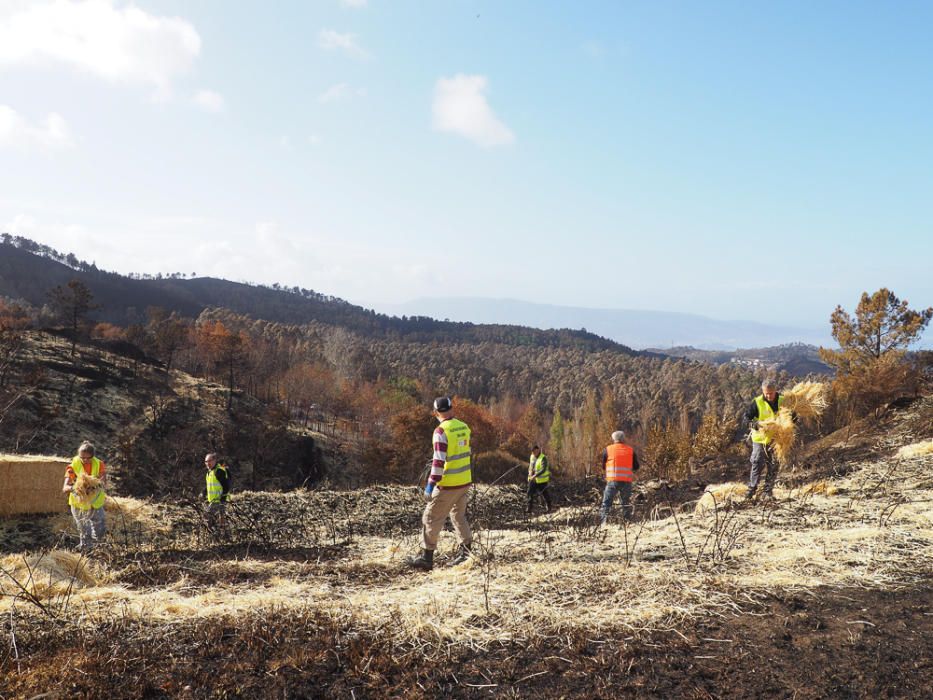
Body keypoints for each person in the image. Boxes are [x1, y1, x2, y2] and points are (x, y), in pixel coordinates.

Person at [408, 397, 473, 570]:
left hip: (448, 484)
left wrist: (430, 486)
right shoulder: (464, 427)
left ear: (436, 413)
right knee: (458, 516)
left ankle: (426, 558)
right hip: (464, 481)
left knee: (430, 518)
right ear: (452, 409)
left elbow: (438, 462)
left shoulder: (440, 432)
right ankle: (466, 553)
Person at [743, 379, 787, 501]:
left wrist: (792, 419)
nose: (768, 396)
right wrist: (754, 424)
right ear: (763, 391)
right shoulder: (757, 402)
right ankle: (751, 490)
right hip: (760, 439)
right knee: (757, 462)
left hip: (776, 439)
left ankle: (768, 492)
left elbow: (791, 417)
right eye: (766, 393)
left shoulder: (783, 401)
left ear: (775, 391)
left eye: (771, 393)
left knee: (774, 465)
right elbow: (746, 418)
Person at [62, 441, 107, 551]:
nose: (85, 460)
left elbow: (103, 481)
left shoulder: (99, 464)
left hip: (95, 503)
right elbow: (65, 488)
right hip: (79, 504)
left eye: (88, 458)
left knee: (100, 528)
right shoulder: (72, 466)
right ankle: (87, 550)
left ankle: (100, 548)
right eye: (83, 458)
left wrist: (94, 486)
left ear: (93, 456)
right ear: (79, 455)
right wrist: (76, 489)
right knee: (84, 530)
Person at [599, 430, 640, 524]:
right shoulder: (630, 450)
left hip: (612, 481)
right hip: (626, 481)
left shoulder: (608, 449)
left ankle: (604, 523)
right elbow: (636, 466)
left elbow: (603, 466)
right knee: (625, 503)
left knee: (606, 503)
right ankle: (626, 523)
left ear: (613, 439)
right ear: (623, 438)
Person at [204, 453, 230, 524]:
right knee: (217, 520)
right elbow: (209, 486)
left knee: (208, 516)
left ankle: (215, 533)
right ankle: (219, 533)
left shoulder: (219, 471)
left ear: (214, 461)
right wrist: (203, 494)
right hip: (213, 500)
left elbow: (226, 486)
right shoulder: (209, 472)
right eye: (206, 461)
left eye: (209, 461)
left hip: (219, 501)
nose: (207, 463)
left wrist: (223, 499)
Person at [526, 445, 552, 514]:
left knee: (545, 494)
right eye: (532, 452)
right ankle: (529, 508)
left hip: (542, 480)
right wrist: (529, 473)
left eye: (535, 451)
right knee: (529, 493)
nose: (534, 453)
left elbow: (543, 469)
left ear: (538, 450)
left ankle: (549, 507)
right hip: (532, 480)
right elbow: (530, 466)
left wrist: (535, 475)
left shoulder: (543, 458)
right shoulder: (532, 457)